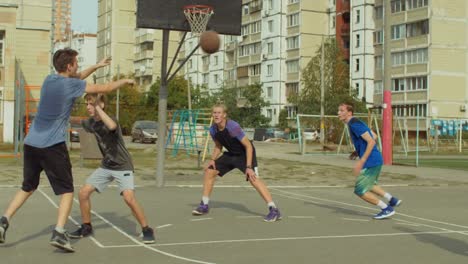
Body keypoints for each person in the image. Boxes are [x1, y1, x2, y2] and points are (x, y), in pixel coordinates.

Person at [0, 48, 134, 252]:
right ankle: (59, 233)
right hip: (52, 145)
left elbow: (79, 77)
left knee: (28, 187)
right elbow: (104, 88)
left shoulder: (49, 81)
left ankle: (3, 222)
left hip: (31, 143)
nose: (78, 66)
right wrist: (124, 81)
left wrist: (96, 66)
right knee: (67, 191)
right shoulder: (72, 85)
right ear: (69, 66)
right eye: (76, 63)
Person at [69, 93, 155, 244]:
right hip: (106, 165)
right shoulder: (90, 123)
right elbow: (76, 121)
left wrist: (98, 105)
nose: (88, 107)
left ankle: (147, 229)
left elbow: (112, 126)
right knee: (83, 193)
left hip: (123, 165)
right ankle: (86, 226)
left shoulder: (112, 120)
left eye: (91, 104)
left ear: (101, 105)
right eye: (87, 104)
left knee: (129, 198)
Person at [192, 103, 281, 222]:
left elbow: (248, 146)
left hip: (245, 154)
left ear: (224, 115)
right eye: (214, 113)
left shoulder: (232, 127)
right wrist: (212, 160)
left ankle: (274, 209)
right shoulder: (213, 129)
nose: (216, 115)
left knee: (253, 179)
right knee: (209, 171)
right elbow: (218, 146)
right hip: (231, 154)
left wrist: (248, 167)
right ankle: (204, 205)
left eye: (219, 113)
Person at [338, 102, 402, 219]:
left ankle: (386, 208)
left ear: (349, 112)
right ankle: (391, 199)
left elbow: (372, 141)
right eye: (339, 110)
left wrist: (362, 160)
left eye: (342, 111)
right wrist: (358, 151)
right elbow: (374, 136)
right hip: (375, 159)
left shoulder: (354, 124)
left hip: (371, 161)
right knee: (370, 184)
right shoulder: (356, 122)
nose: (339, 113)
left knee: (360, 190)